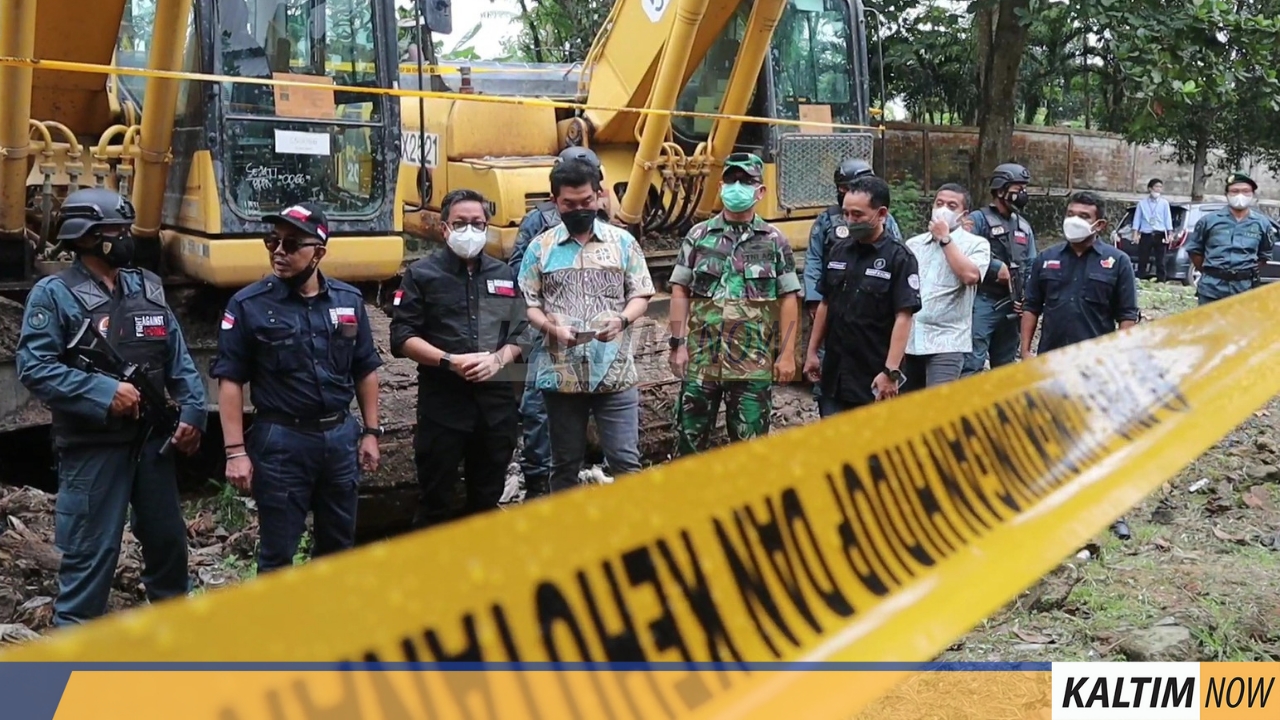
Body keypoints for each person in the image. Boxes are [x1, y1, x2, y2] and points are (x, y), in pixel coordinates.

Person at [15, 188, 206, 626]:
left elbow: (179, 361)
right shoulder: (55, 295)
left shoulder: (148, 288)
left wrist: (193, 414)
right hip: (93, 451)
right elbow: (35, 367)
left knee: (169, 551)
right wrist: (104, 393)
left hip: (153, 449)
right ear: (85, 238)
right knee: (88, 566)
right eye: (114, 231)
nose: (125, 238)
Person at [211, 202, 383, 573]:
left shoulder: (348, 302)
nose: (278, 252)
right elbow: (230, 381)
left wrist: (370, 432)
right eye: (272, 241)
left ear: (318, 253)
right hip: (282, 441)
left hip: (338, 437)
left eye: (291, 245)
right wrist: (235, 452)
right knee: (278, 552)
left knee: (338, 546)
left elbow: (365, 369)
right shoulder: (248, 305)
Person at [389, 190, 528, 528]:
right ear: (444, 228)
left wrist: (498, 360)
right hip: (444, 404)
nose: (470, 230)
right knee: (436, 499)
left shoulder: (503, 274)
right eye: (461, 223)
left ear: (487, 226)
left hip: (496, 407)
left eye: (477, 223)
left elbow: (522, 332)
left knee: (486, 498)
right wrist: (449, 360)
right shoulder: (422, 275)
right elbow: (402, 336)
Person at [517, 159, 655, 494]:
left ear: (600, 196)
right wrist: (551, 328)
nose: (579, 209)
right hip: (560, 375)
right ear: (555, 201)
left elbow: (641, 293)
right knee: (563, 463)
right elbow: (528, 304)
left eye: (586, 201)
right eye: (569, 204)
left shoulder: (623, 244)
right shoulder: (540, 248)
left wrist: (622, 319)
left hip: (615, 372)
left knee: (625, 461)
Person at [1021, 191, 1139, 539]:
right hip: (1051, 363)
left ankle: (1109, 510)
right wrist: (1025, 351)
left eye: (1084, 215)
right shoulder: (1046, 259)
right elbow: (1031, 307)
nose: (1074, 219)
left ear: (1099, 223)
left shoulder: (1117, 263)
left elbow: (1127, 316)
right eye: (1071, 212)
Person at [667, 152, 801, 454]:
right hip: (702, 358)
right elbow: (679, 291)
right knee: (689, 445)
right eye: (731, 180)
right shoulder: (699, 236)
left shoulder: (774, 240)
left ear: (760, 191)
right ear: (721, 186)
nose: (737, 186)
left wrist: (788, 354)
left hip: (752, 361)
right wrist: (678, 344)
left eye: (746, 181)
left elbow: (788, 297)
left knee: (750, 450)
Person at [508, 146, 612, 500]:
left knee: (603, 398)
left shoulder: (604, 219)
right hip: (550, 330)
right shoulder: (539, 222)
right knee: (539, 405)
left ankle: (585, 465)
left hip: (598, 333)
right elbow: (518, 271)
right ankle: (537, 478)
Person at [803, 176, 921, 416]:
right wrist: (812, 352)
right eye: (845, 213)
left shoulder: (899, 258)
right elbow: (826, 302)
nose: (849, 220)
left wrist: (890, 372)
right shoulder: (838, 250)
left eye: (857, 215)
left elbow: (904, 317)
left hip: (874, 377)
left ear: (881, 213)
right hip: (835, 375)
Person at [901, 183, 990, 392]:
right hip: (910, 338)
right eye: (939, 203)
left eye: (951, 206)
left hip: (947, 341)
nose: (943, 209)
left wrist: (945, 239)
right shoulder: (914, 244)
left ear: (963, 214)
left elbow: (970, 276)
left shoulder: (976, 244)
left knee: (936, 407)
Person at [962, 162, 1038, 376]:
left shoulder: (1023, 226)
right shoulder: (978, 220)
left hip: (1013, 305)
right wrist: (995, 268)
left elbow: (1031, 264)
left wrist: (1028, 298)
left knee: (1005, 366)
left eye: (1024, 189)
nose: (1023, 194)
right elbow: (964, 250)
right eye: (1017, 189)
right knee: (972, 361)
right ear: (1001, 189)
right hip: (983, 300)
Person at [1185, 172, 1276, 306]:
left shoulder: (1262, 223)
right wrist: (1212, 271)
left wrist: (1243, 272)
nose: (1240, 195)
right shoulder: (1209, 221)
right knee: (1209, 326)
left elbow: (1264, 255)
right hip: (1212, 288)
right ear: (1226, 194)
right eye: (1235, 191)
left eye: (1245, 191)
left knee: (1240, 326)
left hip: (1245, 289)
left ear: (1252, 195)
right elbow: (1195, 251)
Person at [1133, 178, 1174, 282]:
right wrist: (1135, 233)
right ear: (1150, 188)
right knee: (1143, 259)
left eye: (1160, 187)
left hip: (1160, 234)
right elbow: (1137, 219)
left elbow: (1167, 219)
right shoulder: (1142, 203)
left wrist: (1170, 233)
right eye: (1156, 187)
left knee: (1160, 260)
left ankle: (1161, 280)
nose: (1158, 189)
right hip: (1146, 234)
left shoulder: (1164, 203)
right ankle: (1141, 279)